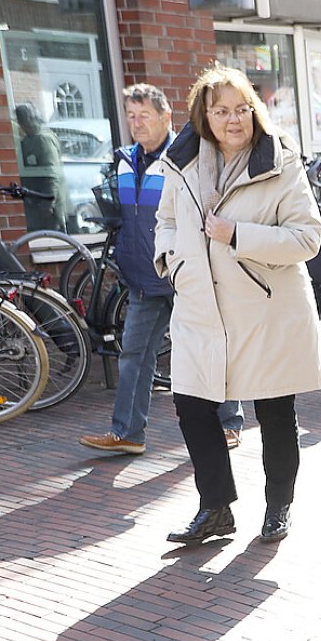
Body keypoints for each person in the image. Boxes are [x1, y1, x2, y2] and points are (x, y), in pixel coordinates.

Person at [154, 65, 321, 544]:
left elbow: (307, 238)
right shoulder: (182, 163)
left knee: (273, 413)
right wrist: (171, 260)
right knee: (191, 405)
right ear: (204, 116)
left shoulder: (280, 163)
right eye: (220, 110)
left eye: (241, 108)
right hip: (199, 308)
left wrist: (238, 236)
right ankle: (215, 508)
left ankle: (278, 507)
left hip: (266, 310)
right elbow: (165, 218)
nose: (233, 119)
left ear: (256, 110)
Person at [80, 85, 245, 456]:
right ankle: (128, 433)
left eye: (145, 115)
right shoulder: (124, 159)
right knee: (134, 355)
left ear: (165, 117)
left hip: (185, 274)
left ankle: (229, 423)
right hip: (142, 279)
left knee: (207, 347)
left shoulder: (185, 157)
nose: (137, 123)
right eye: (131, 116)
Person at [12, 103, 70, 232]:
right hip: (35, 203)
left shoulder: (42, 139)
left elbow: (51, 174)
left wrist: (48, 204)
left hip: (46, 206)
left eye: (19, 121)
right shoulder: (29, 139)